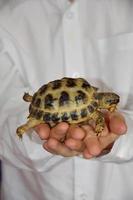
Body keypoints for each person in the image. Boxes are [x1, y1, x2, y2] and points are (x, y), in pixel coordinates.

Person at [0, 0, 133, 199]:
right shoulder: (6, 15)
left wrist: (118, 139)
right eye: (110, 101)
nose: (112, 102)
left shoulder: (127, 7)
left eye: (111, 100)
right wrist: (34, 135)